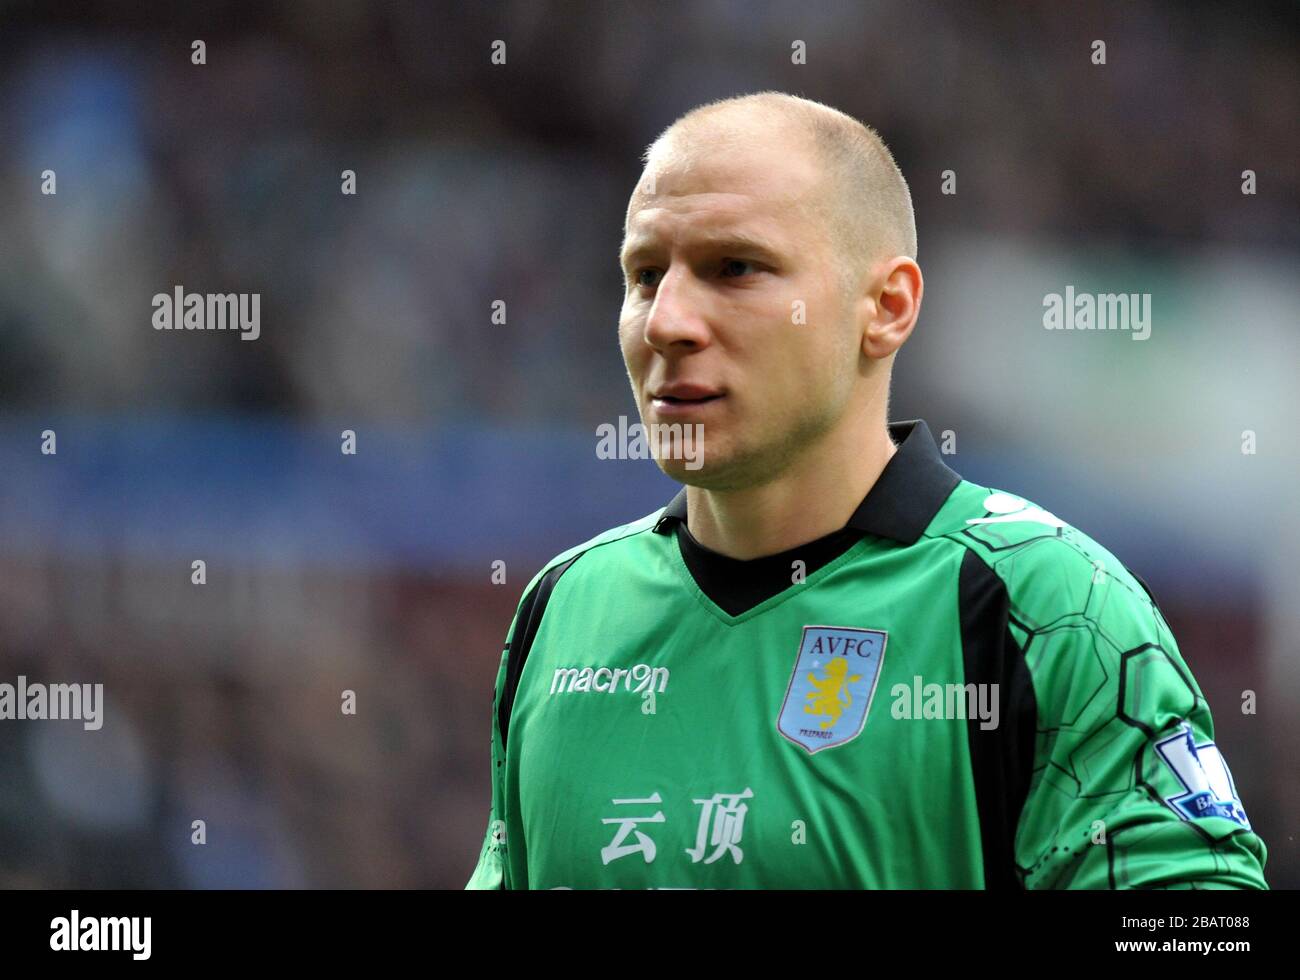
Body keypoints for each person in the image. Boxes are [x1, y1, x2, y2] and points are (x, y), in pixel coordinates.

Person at [466, 91, 1268, 889]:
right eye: (644, 275)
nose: (665, 321)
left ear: (886, 308)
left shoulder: (1039, 604)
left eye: (735, 268)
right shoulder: (561, 608)